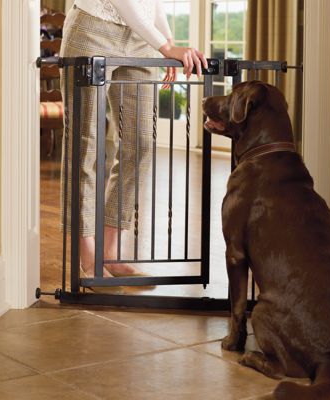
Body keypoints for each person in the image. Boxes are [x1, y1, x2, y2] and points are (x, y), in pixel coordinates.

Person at [60, 0, 208, 278]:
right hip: (93, 29)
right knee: (85, 146)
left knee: (141, 144)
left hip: (140, 39)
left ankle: (110, 254)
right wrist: (165, 46)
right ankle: (88, 257)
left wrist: (167, 40)